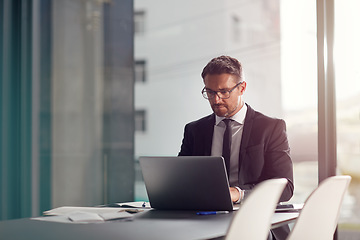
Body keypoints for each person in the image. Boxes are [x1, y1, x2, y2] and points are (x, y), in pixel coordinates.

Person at [178, 55, 294, 240]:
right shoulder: (194, 130)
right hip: (204, 222)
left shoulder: (271, 128)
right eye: (210, 92)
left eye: (224, 92)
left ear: (242, 88)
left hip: (257, 221)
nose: (216, 100)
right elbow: (180, 179)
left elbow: (285, 187)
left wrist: (238, 194)